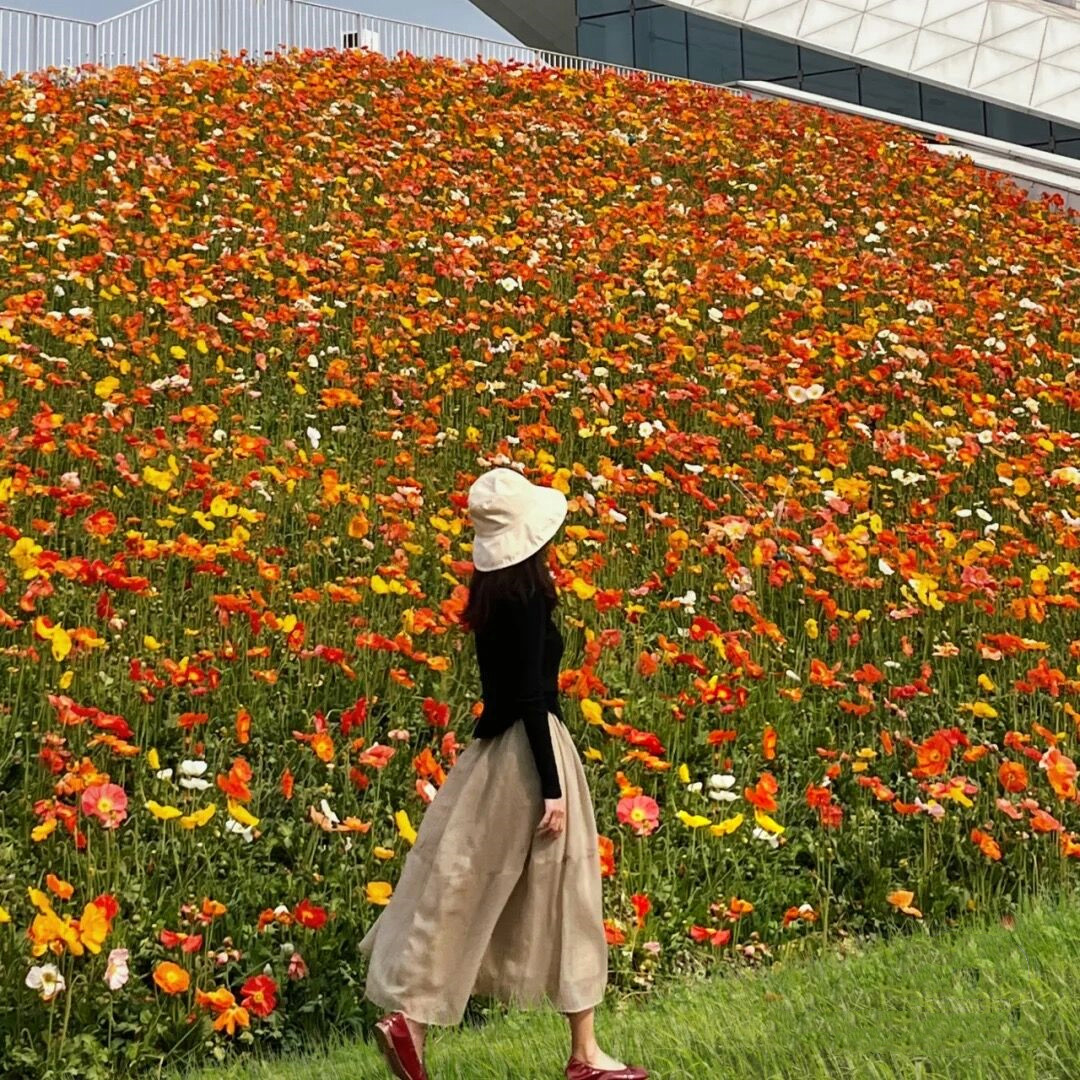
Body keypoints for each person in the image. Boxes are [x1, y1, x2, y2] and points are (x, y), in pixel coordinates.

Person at [359, 465, 648, 1080]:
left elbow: (509, 694)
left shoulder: (489, 599)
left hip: (490, 760)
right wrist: (552, 787)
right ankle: (585, 1055)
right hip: (534, 754)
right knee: (571, 890)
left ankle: (411, 1019)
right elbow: (532, 698)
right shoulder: (532, 597)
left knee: (462, 884)